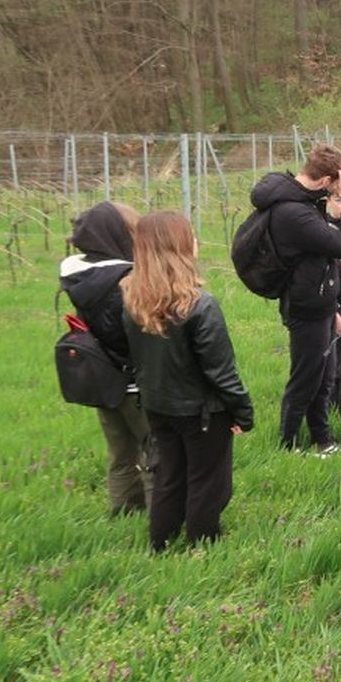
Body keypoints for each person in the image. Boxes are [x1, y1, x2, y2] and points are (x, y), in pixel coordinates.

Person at [120, 212, 254, 552]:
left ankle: (160, 542)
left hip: (158, 406)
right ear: (178, 246)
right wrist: (242, 412)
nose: (196, 241)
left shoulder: (133, 301)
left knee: (169, 474)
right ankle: (204, 543)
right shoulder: (199, 306)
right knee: (208, 482)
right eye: (190, 235)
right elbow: (221, 371)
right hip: (203, 413)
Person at [248, 144, 341, 453]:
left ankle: (321, 438)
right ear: (326, 180)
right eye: (336, 188)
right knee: (305, 377)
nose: (338, 194)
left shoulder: (306, 203)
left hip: (321, 302)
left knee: (325, 376)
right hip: (305, 306)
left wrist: (336, 307)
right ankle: (289, 443)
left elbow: (324, 253)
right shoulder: (293, 212)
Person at [60, 201, 156, 515]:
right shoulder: (126, 282)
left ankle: (124, 510)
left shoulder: (80, 278)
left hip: (102, 379)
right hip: (136, 383)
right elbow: (140, 336)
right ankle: (164, 519)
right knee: (156, 453)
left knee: (120, 453)